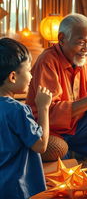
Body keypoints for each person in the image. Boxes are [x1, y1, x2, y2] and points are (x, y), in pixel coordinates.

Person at [26, 13, 87, 176]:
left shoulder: (85, 60)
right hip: (50, 129)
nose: (86, 49)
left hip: (78, 125)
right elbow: (51, 113)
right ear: (62, 39)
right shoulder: (47, 61)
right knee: (58, 153)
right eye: (81, 42)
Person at [0, 38, 52, 199]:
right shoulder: (17, 110)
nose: (31, 76)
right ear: (13, 77)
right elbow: (41, 145)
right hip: (17, 187)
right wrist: (43, 108)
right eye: (29, 70)